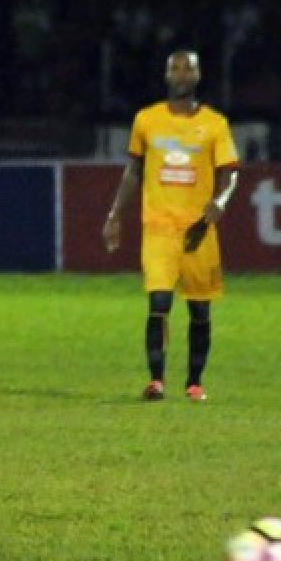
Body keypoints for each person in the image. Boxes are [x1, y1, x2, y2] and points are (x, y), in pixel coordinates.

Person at [102, 50, 240, 402]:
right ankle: (156, 380)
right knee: (159, 300)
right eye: (175, 68)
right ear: (166, 76)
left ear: (197, 76)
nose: (181, 74)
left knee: (200, 308)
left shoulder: (214, 124)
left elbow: (230, 173)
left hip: (198, 231)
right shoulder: (147, 120)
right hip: (159, 228)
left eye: (187, 68)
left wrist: (219, 203)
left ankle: (194, 382)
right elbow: (133, 171)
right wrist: (115, 215)